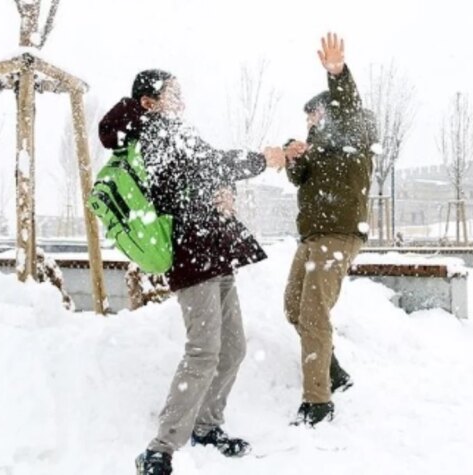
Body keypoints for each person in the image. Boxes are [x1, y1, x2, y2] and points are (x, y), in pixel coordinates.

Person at [99, 69, 286, 474]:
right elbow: (209, 164)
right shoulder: (155, 133)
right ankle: (160, 448)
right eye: (173, 93)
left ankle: (207, 426)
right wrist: (262, 160)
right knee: (203, 352)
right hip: (191, 253)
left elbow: (203, 175)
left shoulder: (176, 131)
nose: (181, 100)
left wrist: (225, 194)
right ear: (150, 102)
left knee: (233, 348)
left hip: (213, 249)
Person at [283, 33, 375, 426]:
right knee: (293, 308)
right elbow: (297, 177)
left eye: (314, 116)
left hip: (338, 236)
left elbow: (349, 107)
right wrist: (292, 153)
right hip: (313, 238)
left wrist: (337, 73)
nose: (310, 123)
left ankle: (318, 402)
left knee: (314, 315)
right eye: (307, 119)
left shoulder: (354, 134)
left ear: (330, 112)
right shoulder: (317, 149)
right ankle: (333, 371)